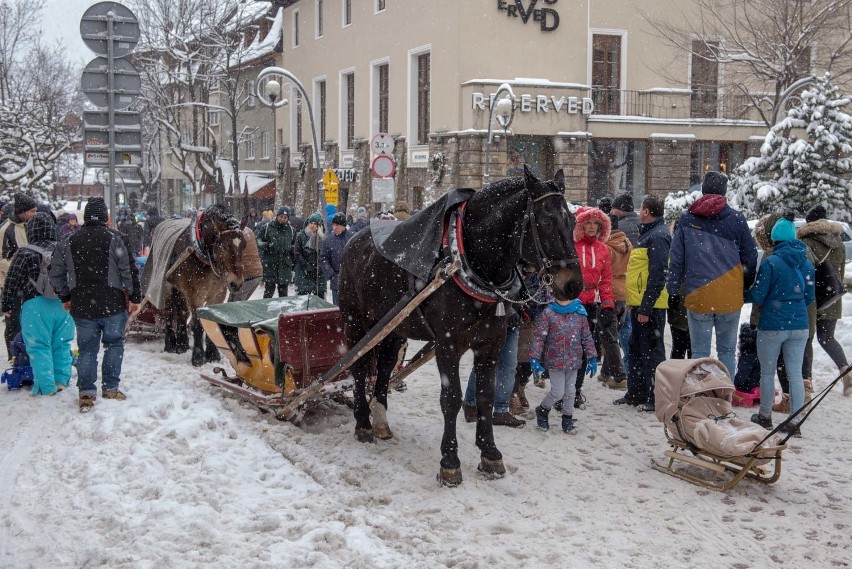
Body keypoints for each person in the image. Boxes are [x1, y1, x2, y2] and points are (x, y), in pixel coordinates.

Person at [49, 197, 141, 413]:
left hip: (82, 306)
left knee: (87, 349)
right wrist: (135, 297)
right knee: (114, 344)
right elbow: (130, 270)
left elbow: (56, 272)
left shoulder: (68, 240)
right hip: (113, 305)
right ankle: (110, 388)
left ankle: (87, 393)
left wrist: (65, 297)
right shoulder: (117, 239)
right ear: (106, 218)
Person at [667, 171, 758, 380]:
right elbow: (750, 257)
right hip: (729, 295)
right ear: (724, 192)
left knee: (699, 352)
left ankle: (702, 395)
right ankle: (726, 395)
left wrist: (672, 290)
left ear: (703, 190)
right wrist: (744, 285)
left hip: (698, 294)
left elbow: (677, 259)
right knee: (727, 350)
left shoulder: (687, 219)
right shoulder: (736, 219)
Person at [747, 217, 814, 437]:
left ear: (774, 238)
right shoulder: (805, 262)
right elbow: (809, 296)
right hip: (800, 325)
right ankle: (794, 422)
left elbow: (758, 295)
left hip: (773, 325)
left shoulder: (771, 262)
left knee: (767, 372)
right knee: (795, 373)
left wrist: (743, 293)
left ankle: (765, 416)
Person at [1, 212, 75, 396]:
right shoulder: (65, 249)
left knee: (38, 346)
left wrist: (7, 305)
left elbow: (12, 281)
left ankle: (46, 386)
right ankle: (61, 380)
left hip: (34, 305)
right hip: (64, 305)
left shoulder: (25, 252)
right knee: (62, 344)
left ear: (31, 230)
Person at [614, 194, 670, 413]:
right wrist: (634, 301)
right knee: (637, 349)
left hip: (652, 306)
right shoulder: (650, 233)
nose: (639, 212)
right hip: (641, 303)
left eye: (642, 208)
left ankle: (655, 397)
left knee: (652, 353)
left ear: (646, 211)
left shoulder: (658, 236)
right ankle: (636, 392)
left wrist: (646, 306)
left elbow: (657, 275)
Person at [797, 204, 850, 396]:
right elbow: (840, 272)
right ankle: (845, 370)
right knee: (827, 338)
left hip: (812, 298)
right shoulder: (839, 243)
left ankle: (806, 383)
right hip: (832, 295)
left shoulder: (807, 242)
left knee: (807, 339)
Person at [530, 297, 597, 434]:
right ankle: (543, 409)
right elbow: (539, 337)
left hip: (574, 359)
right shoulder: (548, 312)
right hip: (555, 360)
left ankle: (567, 418)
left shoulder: (579, 313)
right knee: (558, 392)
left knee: (571, 392)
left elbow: (586, 336)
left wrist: (592, 357)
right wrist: (535, 357)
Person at [572, 206, 615, 408]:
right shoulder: (571, 246)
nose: (591, 227)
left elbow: (606, 280)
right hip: (570, 303)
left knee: (583, 350)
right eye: (587, 223)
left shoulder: (603, 249)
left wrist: (607, 305)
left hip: (590, 305)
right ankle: (563, 390)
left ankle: (575, 390)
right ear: (581, 225)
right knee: (566, 349)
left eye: (595, 224)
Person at [464, 315, 527, 428]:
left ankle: (501, 411)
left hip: (512, 324)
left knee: (509, 366)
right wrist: (509, 310)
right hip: (489, 319)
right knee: (484, 363)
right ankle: (470, 404)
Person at [2, 193, 38, 357]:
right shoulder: (6, 230)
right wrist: (19, 268)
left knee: (31, 321)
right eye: (31, 211)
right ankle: (14, 355)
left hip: (32, 284)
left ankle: (28, 354)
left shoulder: (33, 226)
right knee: (14, 322)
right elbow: (1, 258)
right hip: (11, 284)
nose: (34, 214)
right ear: (22, 211)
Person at [602, 213, 632, 389]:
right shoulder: (627, 243)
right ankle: (606, 372)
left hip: (610, 291)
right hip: (624, 290)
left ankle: (619, 376)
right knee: (613, 333)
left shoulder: (606, 247)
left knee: (609, 335)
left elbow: (603, 270)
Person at [255, 207, 295, 298]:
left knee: (283, 292)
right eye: (281, 216)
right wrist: (266, 245)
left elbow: (295, 244)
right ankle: (267, 310)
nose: (283, 219)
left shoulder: (291, 230)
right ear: (277, 216)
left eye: (285, 217)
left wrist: (290, 248)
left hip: (284, 265)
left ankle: (283, 310)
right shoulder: (267, 227)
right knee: (269, 291)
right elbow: (258, 239)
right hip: (270, 264)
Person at [293, 212, 327, 297]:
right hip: (303, 271)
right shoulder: (300, 235)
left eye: (315, 223)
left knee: (319, 297)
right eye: (310, 223)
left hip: (319, 273)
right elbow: (297, 253)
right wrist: (306, 266)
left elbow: (324, 254)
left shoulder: (323, 238)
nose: (312, 225)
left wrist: (318, 266)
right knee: (302, 297)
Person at [320, 212, 351, 305]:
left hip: (350, 279)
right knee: (337, 308)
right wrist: (331, 275)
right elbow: (324, 258)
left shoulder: (352, 238)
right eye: (333, 225)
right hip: (336, 279)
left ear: (343, 226)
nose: (334, 227)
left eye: (337, 225)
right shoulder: (328, 240)